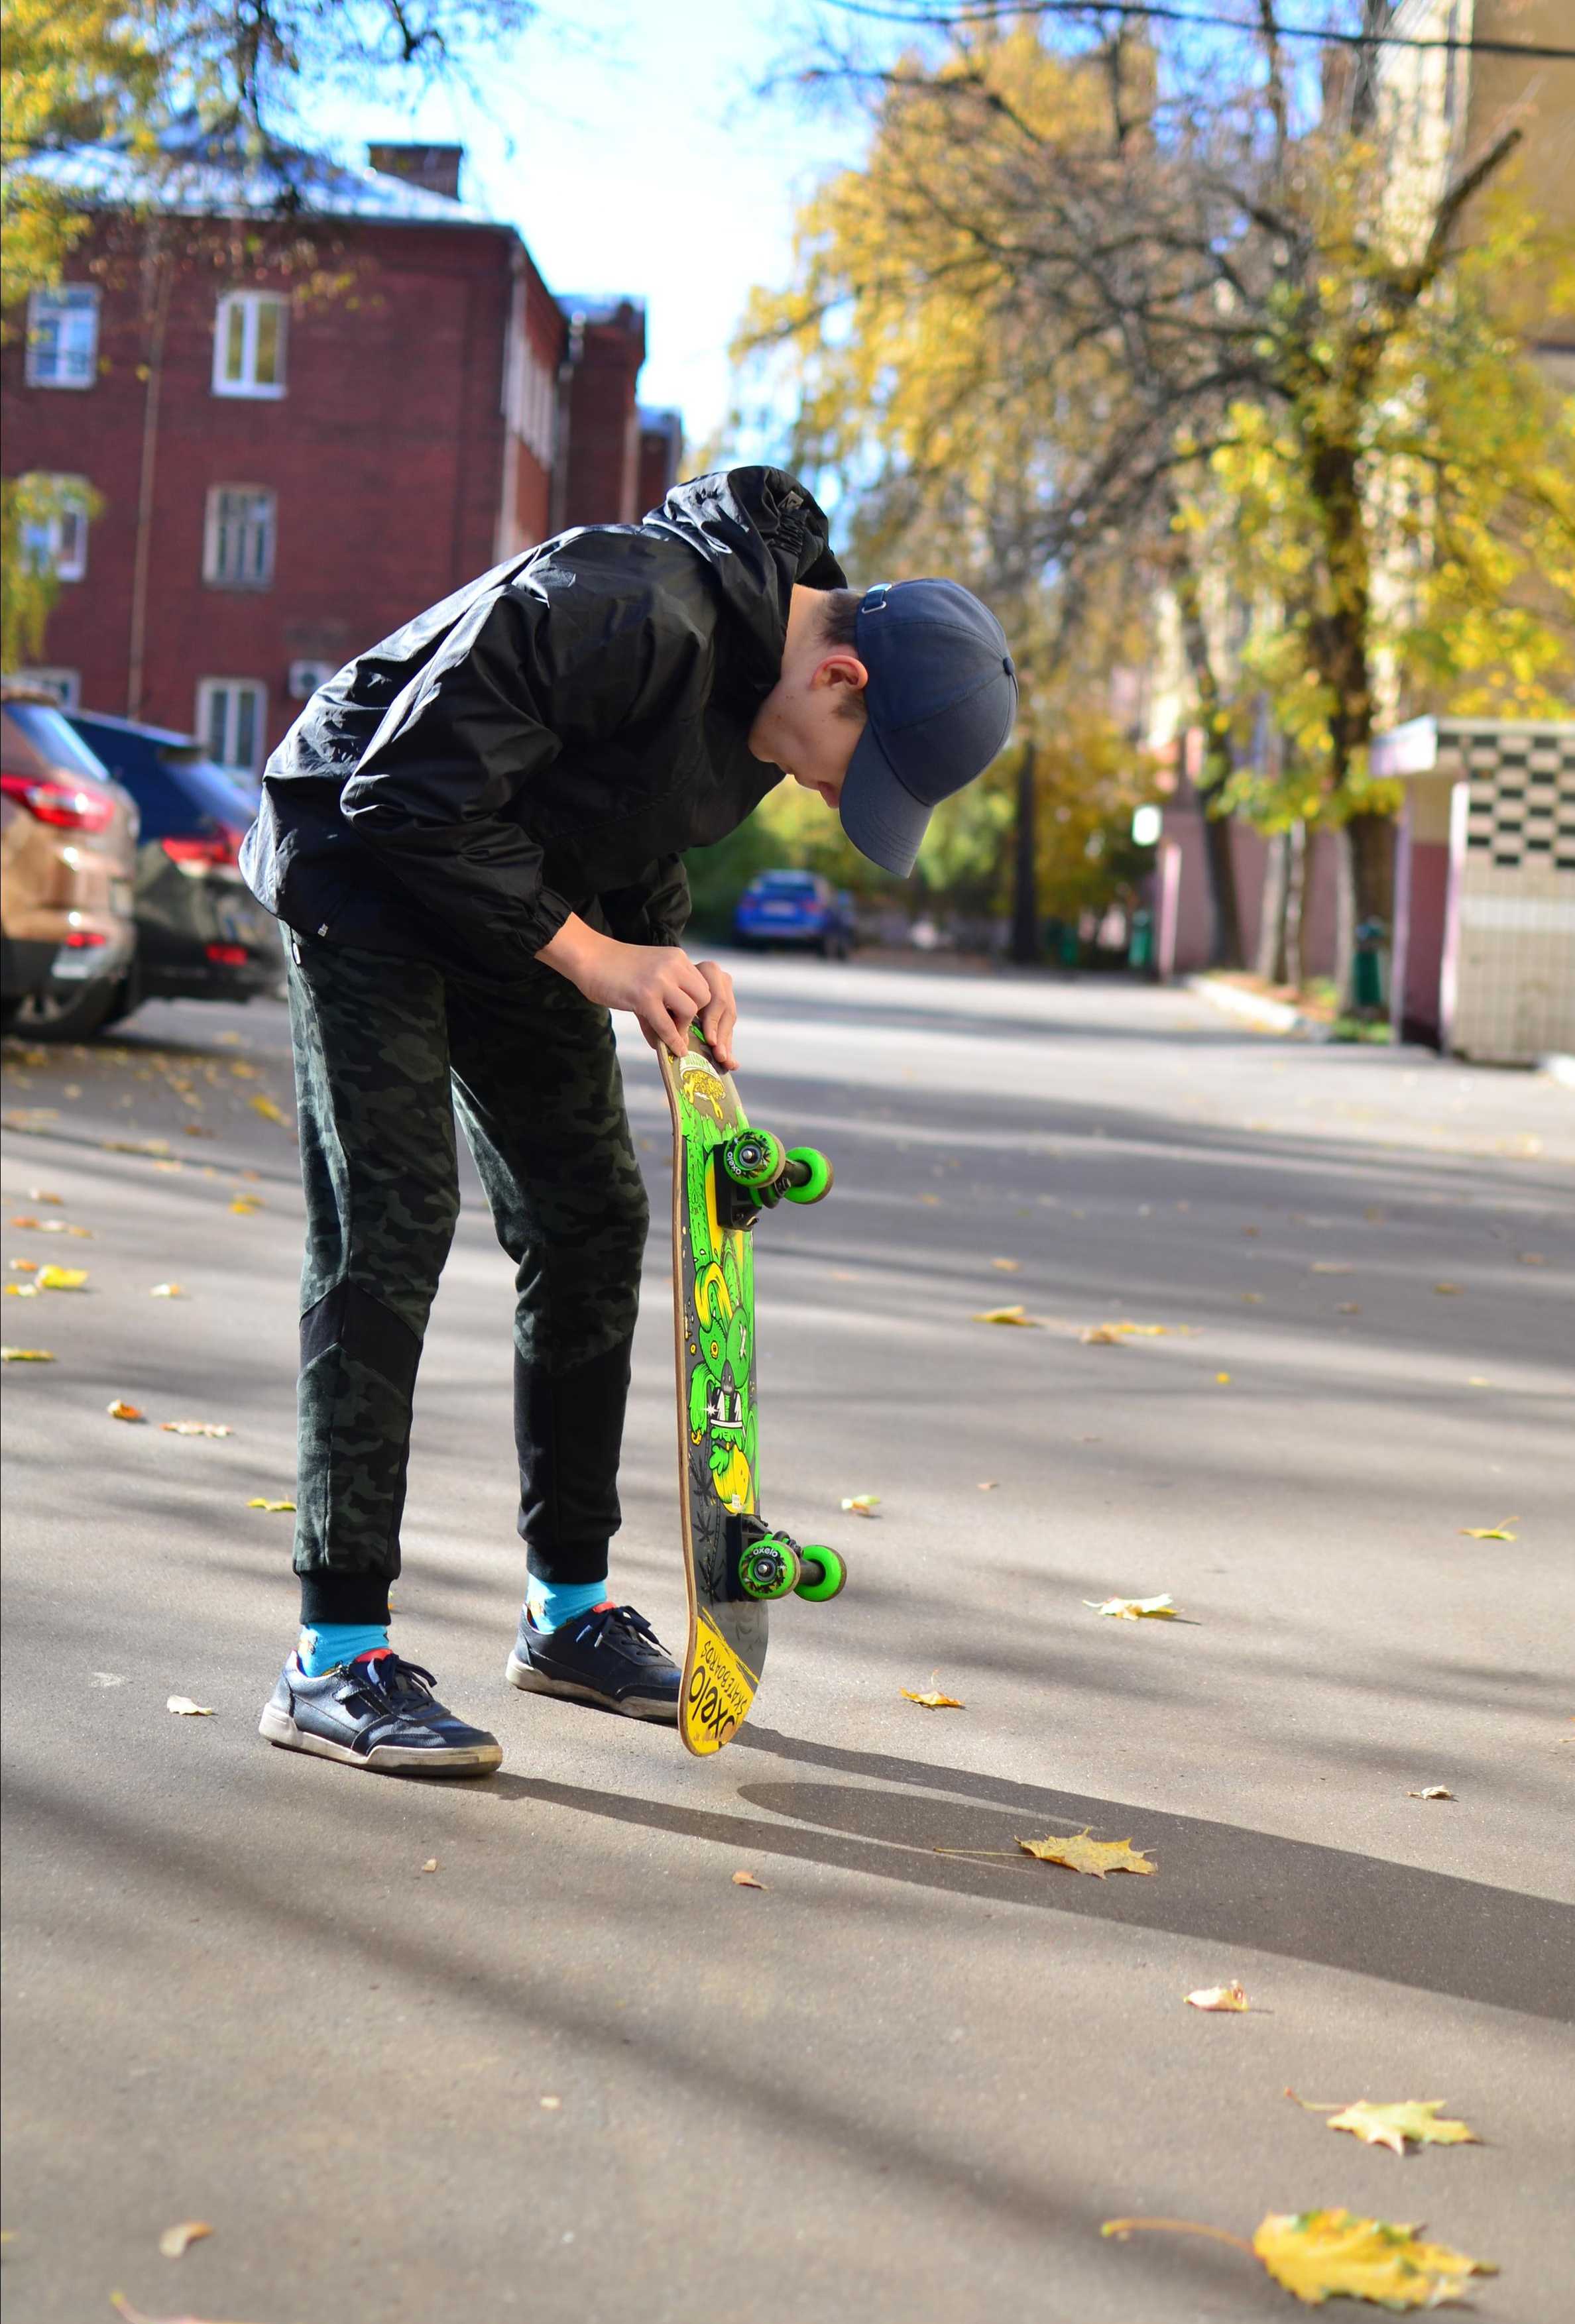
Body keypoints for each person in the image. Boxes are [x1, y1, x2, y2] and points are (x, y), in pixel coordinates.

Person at [239, 467, 1017, 1776]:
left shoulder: (763, 711)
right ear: (842, 681)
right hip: (362, 866)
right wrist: (597, 962)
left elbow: (632, 828)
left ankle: (566, 1613)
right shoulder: (620, 605)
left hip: (508, 888)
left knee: (592, 1219)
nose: (833, 801)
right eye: (853, 777)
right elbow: (406, 794)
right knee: (395, 1216)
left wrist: (666, 968)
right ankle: (331, 1652)